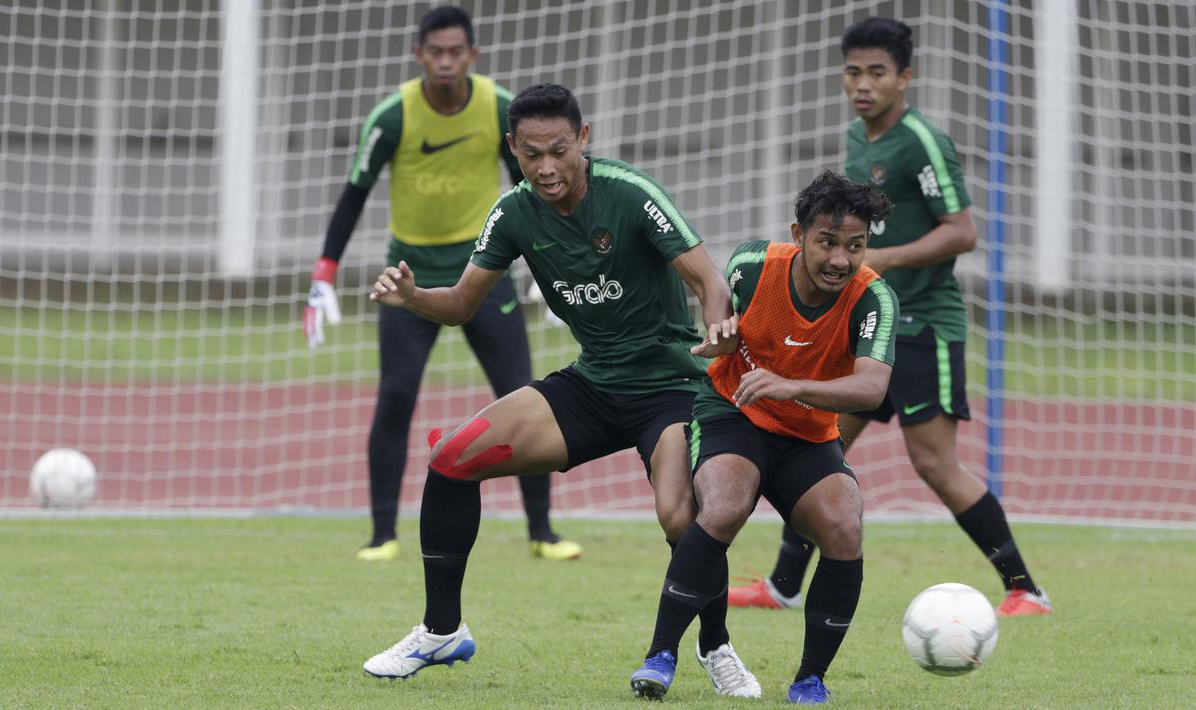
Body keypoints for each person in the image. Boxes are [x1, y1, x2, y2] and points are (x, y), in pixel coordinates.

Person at [361, 83, 761, 698]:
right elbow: (462, 305)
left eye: (558, 151)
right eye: (530, 154)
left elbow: (709, 279)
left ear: (583, 139)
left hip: (673, 387)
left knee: (681, 515)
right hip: (593, 383)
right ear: (512, 149)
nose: (546, 167)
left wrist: (716, 330)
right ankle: (441, 630)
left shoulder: (630, 193)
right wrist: (413, 296)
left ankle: (716, 646)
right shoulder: (514, 212)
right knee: (452, 458)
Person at [728, 17, 1051, 617]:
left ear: (905, 77)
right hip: (864, 326)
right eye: (853, 72)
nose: (863, 84)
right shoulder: (859, 136)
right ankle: (783, 586)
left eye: (877, 73)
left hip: (923, 323)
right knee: (816, 447)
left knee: (933, 463)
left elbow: (963, 232)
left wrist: (881, 260)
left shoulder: (921, 141)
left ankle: (1025, 589)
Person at [302, 6, 579, 562]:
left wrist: (556, 266)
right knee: (396, 396)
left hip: (485, 272)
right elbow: (354, 194)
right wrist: (324, 273)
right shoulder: (393, 116)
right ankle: (383, 534)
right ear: (419, 55)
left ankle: (542, 532)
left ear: (472, 54)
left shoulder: (498, 108)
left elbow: (535, 187)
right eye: (436, 52)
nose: (446, 61)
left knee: (524, 393)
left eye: (456, 51)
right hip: (408, 281)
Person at [630, 172, 896, 704]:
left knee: (844, 526)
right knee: (724, 505)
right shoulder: (753, 265)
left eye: (855, 245)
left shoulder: (873, 299)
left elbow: (872, 388)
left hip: (808, 435)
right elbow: (723, 324)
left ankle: (810, 679)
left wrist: (792, 386)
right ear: (798, 234)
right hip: (735, 412)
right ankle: (661, 655)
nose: (840, 259)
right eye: (827, 241)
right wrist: (721, 336)